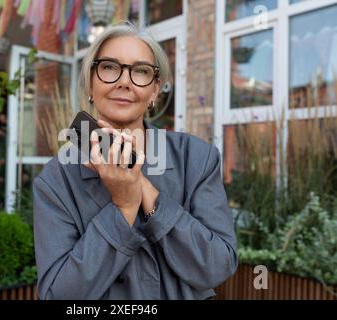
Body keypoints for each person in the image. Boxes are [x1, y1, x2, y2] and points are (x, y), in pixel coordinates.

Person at [33, 22, 238, 300]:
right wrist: (124, 207)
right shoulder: (56, 180)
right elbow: (59, 295)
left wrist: (138, 185)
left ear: (154, 91)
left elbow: (217, 266)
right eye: (109, 67)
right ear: (90, 83)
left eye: (140, 71)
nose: (124, 82)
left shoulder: (197, 158)